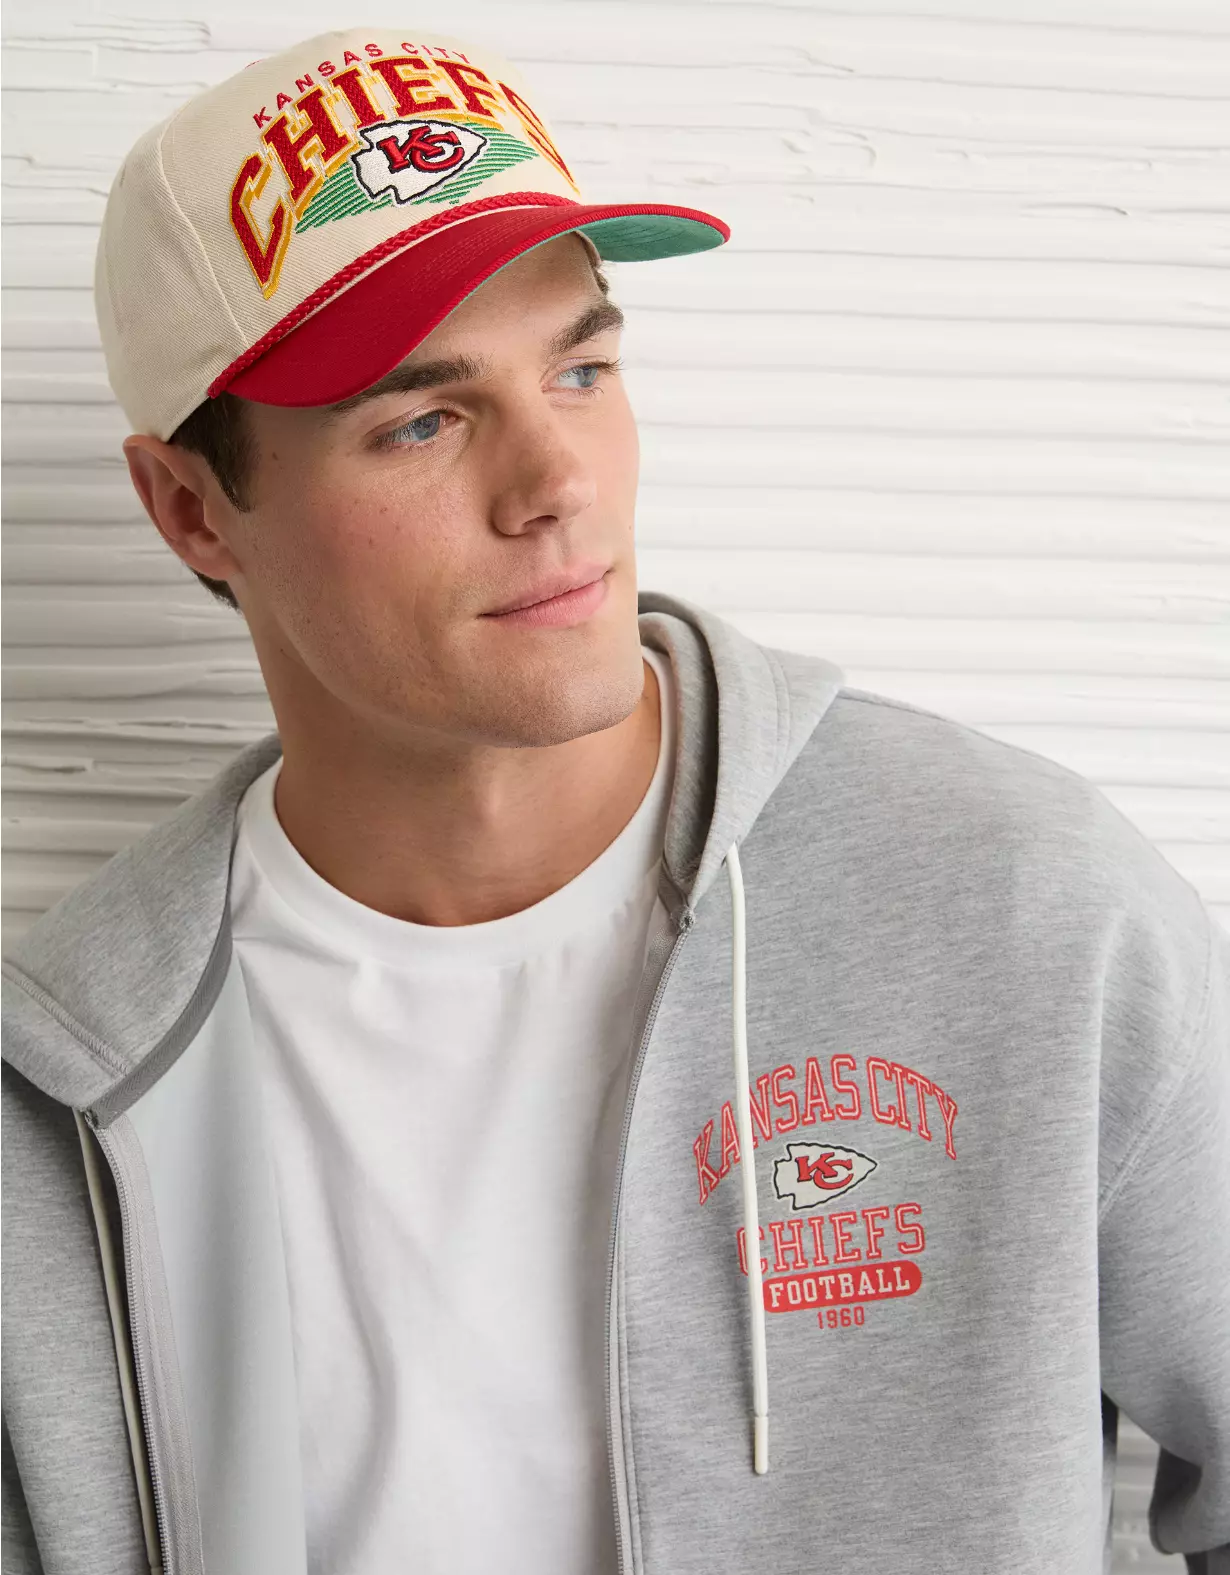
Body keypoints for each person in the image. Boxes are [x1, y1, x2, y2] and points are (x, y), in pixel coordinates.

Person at [2, 23, 1226, 1575]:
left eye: (580, 368)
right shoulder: (59, 1087)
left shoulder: (1025, 913)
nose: (557, 484)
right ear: (191, 508)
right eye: (422, 420)